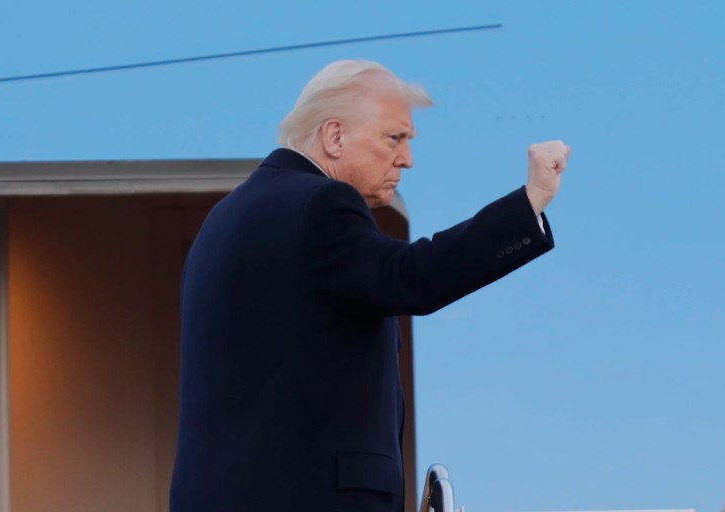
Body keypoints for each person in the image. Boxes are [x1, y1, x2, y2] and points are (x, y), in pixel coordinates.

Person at [169, 60, 571, 512]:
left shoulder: (220, 221)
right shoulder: (320, 202)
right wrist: (531, 200)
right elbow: (412, 277)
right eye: (394, 138)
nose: (407, 158)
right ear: (334, 136)